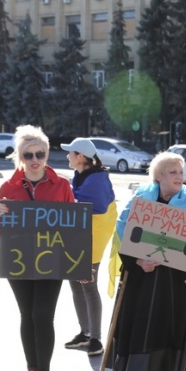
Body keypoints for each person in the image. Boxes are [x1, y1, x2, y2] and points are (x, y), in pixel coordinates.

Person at [106, 152, 186, 371]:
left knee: (181, 324)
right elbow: (121, 233)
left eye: (181, 172)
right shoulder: (140, 199)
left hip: (176, 280)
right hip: (142, 278)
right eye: (173, 172)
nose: (179, 176)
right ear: (159, 176)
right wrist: (137, 261)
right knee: (134, 324)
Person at [0, 125, 75, 371]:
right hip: (19, 260)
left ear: (47, 154)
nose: (35, 159)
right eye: (28, 155)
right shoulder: (8, 186)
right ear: (20, 157)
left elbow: (75, 225)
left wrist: (80, 261)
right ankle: (31, 369)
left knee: (42, 315)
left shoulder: (61, 184)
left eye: (40, 153)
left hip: (52, 259)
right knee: (27, 315)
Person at [61, 138, 118, 357]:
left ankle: (95, 339)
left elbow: (97, 206)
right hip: (83, 236)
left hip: (93, 239)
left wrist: (66, 194)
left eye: (70, 153)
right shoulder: (84, 175)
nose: (68, 156)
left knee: (88, 285)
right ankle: (85, 333)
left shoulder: (96, 179)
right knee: (75, 282)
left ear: (81, 157)